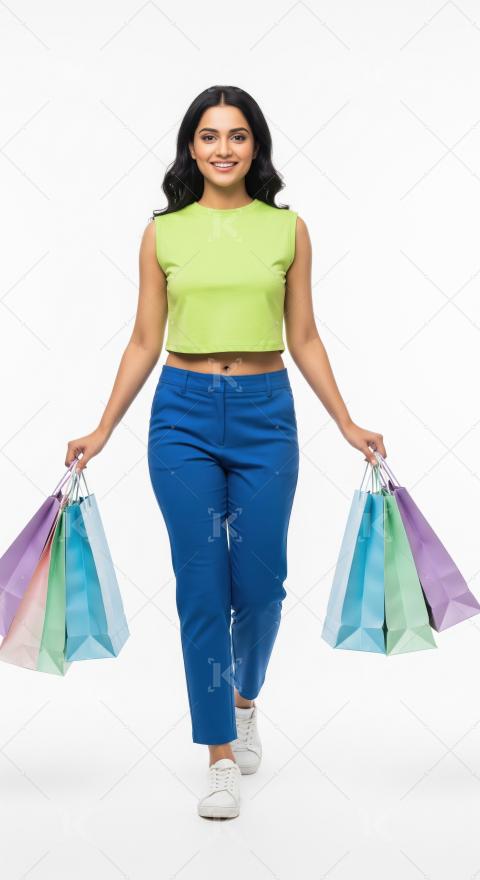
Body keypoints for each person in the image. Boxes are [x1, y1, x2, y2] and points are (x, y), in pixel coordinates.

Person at [64, 84, 387, 820]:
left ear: (256, 148)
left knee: (263, 587)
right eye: (208, 136)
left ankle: (244, 700)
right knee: (202, 586)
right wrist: (103, 427)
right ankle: (217, 754)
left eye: (237, 136)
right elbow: (146, 338)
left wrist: (344, 420)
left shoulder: (288, 229)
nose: (222, 149)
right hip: (179, 415)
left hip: (266, 415)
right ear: (190, 147)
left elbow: (303, 335)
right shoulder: (162, 234)